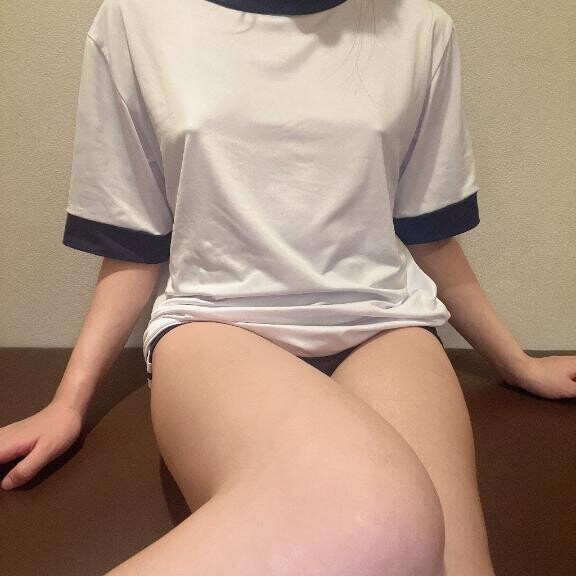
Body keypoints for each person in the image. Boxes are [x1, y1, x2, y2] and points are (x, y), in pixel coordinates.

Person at [2, 0, 575, 575]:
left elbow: (429, 235)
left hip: (383, 323)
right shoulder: (137, 20)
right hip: (218, 325)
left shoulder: (422, 29)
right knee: (376, 516)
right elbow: (132, 244)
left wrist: (519, 364)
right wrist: (67, 405)